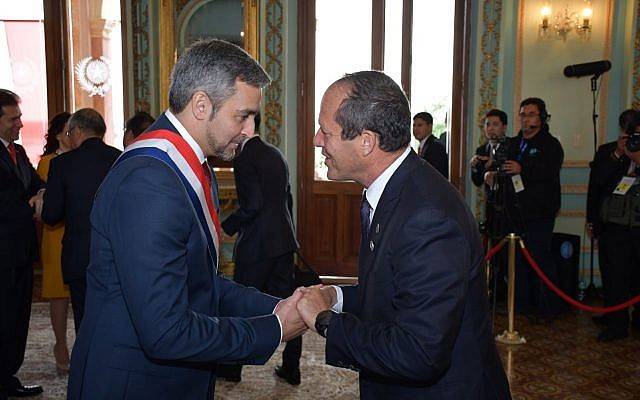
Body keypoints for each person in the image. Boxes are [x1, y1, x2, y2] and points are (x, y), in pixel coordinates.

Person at [67, 39, 306, 399]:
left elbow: (200, 284)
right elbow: (165, 331)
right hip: (135, 385)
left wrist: (277, 307)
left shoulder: (189, 166)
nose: (249, 130)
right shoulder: (150, 180)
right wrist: (272, 330)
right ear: (200, 105)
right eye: (242, 116)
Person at [295, 71, 511, 399]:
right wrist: (335, 298)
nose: (316, 140)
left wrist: (326, 322)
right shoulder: (393, 190)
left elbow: (419, 352)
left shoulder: (427, 217)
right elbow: (394, 296)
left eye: (326, 131)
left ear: (366, 141)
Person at [219, 113, 301, 384]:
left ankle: (232, 369)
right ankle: (291, 367)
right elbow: (285, 202)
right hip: (283, 242)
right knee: (288, 304)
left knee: (239, 304)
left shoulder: (244, 157)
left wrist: (226, 226)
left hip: (257, 245)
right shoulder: (275, 154)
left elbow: (252, 205)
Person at [41, 108, 121, 332]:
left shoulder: (62, 164)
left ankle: (88, 367)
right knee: (114, 323)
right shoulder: (120, 158)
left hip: (79, 257)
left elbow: (51, 215)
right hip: (117, 255)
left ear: (76, 131)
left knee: (85, 323)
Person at [501, 98, 564, 319]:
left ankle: (547, 308)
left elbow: (548, 171)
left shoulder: (550, 144)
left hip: (540, 211)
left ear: (541, 117)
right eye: (523, 114)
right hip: (516, 212)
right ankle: (521, 304)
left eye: (531, 114)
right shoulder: (514, 143)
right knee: (517, 261)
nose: (526, 118)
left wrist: (523, 168)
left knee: (540, 259)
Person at [0, 89, 44, 398]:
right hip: (2, 252)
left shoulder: (17, 152)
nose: (20, 124)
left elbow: (36, 184)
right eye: (14, 118)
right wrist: (30, 204)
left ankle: (8, 376)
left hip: (22, 250)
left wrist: (40, 194)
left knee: (18, 316)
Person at [588, 110, 640, 342]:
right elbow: (597, 184)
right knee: (614, 275)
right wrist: (619, 154)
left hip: (637, 224)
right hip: (614, 224)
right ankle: (616, 322)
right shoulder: (607, 151)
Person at [36, 111, 72, 374]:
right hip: (55, 232)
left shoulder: (82, 159)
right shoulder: (47, 162)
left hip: (78, 230)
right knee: (58, 294)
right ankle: (60, 344)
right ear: (60, 133)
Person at [413, 111, 448, 178]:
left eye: (420, 125)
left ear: (430, 126)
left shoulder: (436, 147)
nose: (416, 129)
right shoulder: (422, 147)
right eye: (414, 125)